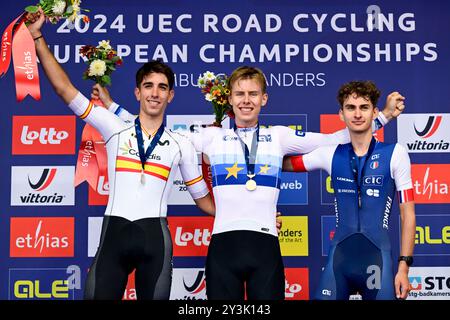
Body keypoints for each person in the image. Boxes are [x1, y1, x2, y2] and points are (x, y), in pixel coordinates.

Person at [96, 66, 404, 300]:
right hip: (222, 249)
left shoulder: (280, 136)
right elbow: (154, 129)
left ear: (264, 98)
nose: (246, 100)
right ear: (228, 98)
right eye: (240, 94)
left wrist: (385, 117)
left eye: (253, 93)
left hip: (265, 248)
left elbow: (335, 138)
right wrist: (112, 108)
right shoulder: (210, 136)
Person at [26, 9, 216, 300]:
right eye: (148, 86)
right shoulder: (113, 126)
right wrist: (38, 37)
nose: (155, 93)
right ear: (138, 92)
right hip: (113, 235)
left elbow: (204, 201)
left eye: (162, 87)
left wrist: (254, 212)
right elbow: (64, 89)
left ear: (171, 95)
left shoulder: (182, 144)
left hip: (156, 242)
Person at [284, 81, 415, 300]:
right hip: (340, 260)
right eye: (350, 108)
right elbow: (285, 164)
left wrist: (404, 267)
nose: (357, 114)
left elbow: (407, 214)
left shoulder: (395, 153)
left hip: (378, 259)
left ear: (374, 112)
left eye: (364, 107)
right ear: (341, 115)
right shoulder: (329, 153)